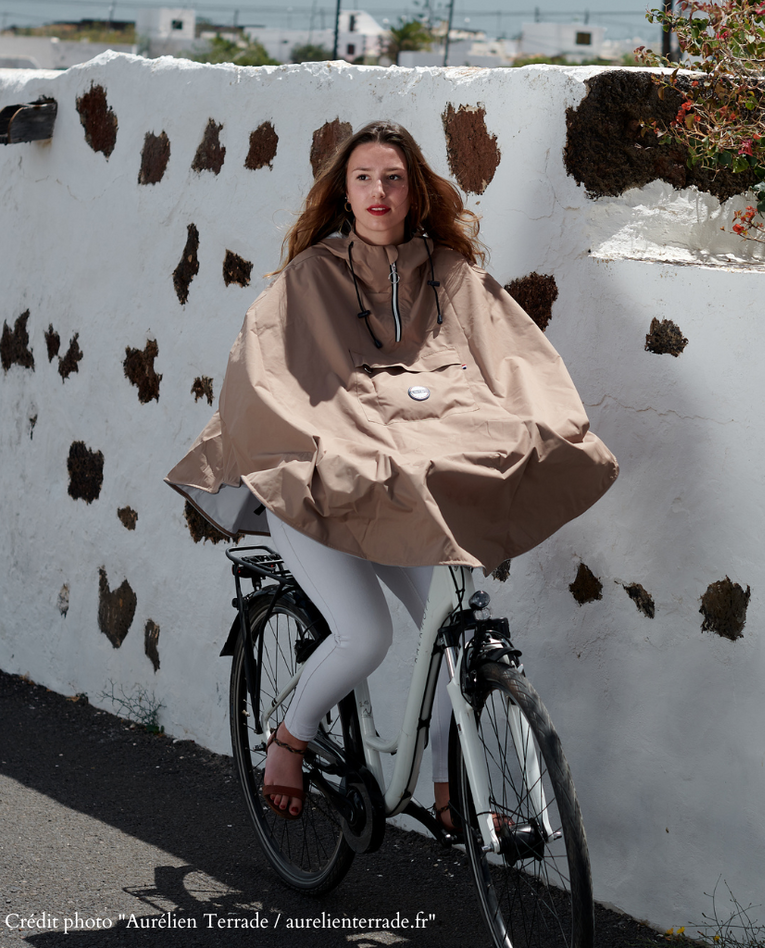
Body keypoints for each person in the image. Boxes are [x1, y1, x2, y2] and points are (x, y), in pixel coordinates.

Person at [166, 121, 617, 823]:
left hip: (407, 493)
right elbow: (269, 380)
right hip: (314, 483)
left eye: (395, 178)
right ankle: (289, 739)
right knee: (365, 635)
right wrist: (330, 449)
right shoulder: (309, 277)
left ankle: (448, 795)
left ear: (416, 192)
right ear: (344, 194)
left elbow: (516, 360)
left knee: (454, 632)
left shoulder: (453, 276)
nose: (380, 191)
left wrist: (546, 423)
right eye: (365, 178)